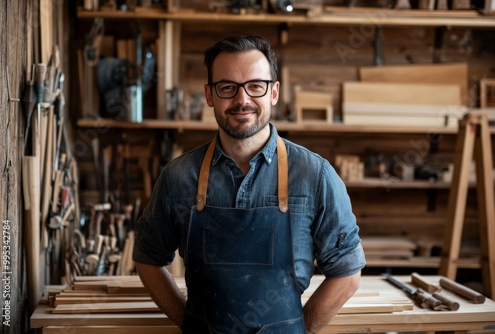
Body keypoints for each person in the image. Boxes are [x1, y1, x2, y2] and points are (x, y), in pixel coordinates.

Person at [133, 35, 366, 334]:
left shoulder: (314, 175)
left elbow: (347, 272)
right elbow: (147, 258)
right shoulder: (178, 177)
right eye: (227, 87)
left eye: (255, 86)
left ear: (274, 92)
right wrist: (188, 321)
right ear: (209, 94)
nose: (242, 100)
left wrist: (300, 328)